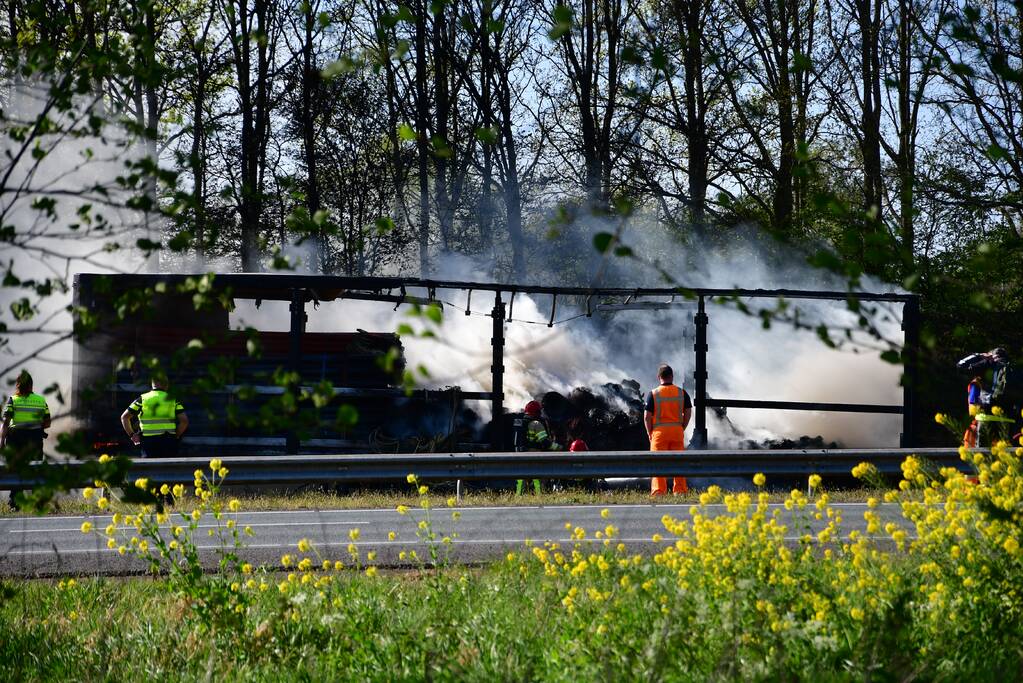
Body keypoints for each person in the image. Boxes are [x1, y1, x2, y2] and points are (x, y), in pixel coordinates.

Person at [644, 364, 692, 495]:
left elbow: (647, 417)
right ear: (672, 376)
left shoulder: (653, 394)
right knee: (679, 463)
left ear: (659, 377)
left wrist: (650, 433)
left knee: (658, 463)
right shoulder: (681, 393)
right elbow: (688, 411)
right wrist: (682, 427)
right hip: (676, 432)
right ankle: (680, 491)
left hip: (659, 434)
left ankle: (659, 492)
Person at [957, 348, 1019, 446]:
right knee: (1006, 458)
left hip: (986, 419)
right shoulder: (1015, 370)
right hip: (1008, 422)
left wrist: (979, 355)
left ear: (991, 356)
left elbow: (960, 365)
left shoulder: (986, 366)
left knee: (984, 457)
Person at [121, 374, 188, 457]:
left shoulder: (142, 399)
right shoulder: (172, 399)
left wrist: (132, 435)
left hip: (148, 443)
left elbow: (124, 417)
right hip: (168, 442)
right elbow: (184, 421)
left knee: (149, 468)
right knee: (169, 468)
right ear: (166, 385)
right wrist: (176, 435)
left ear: (152, 384)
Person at [0, 370, 51, 462]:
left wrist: (2, 441)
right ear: (31, 385)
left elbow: (5, 423)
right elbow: (48, 423)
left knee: (13, 469)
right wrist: (37, 428)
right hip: (35, 439)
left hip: (15, 439)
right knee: (35, 469)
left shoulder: (13, 400)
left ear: (18, 385)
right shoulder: (41, 400)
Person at [515, 400, 557, 495]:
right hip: (534, 453)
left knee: (522, 477)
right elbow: (546, 443)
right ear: (537, 412)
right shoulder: (536, 424)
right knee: (539, 475)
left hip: (520, 454)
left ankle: (519, 495)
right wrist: (559, 447)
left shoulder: (520, 422)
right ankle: (539, 494)